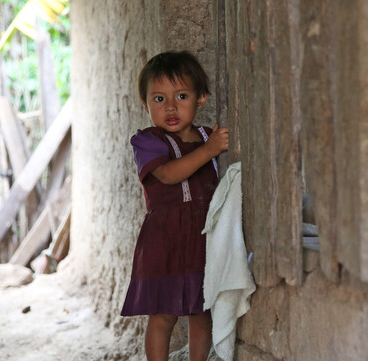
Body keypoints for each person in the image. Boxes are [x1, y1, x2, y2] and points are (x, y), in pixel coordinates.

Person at [120, 51, 228, 361]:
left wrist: (211, 146)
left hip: (204, 237)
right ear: (145, 105)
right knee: (163, 313)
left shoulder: (210, 136)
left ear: (201, 99)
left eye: (181, 96)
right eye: (158, 99)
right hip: (165, 239)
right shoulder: (147, 141)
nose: (170, 106)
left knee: (201, 310)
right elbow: (168, 175)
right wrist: (209, 150)